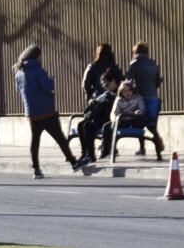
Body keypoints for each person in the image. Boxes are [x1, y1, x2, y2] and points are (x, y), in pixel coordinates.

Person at [13, 44, 81, 179]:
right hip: (46, 111)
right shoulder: (38, 70)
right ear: (36, 56)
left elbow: (18, 91)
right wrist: (52, 80)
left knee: (35, 141)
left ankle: (36, 169)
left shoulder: (19, 72)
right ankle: (73, 162)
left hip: (31, 113)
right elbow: (47, 87)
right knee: (60, 138)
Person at [124, 42, 165, 159]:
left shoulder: (134, 63)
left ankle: (142, 148)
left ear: (135, 52)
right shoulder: (153, 64)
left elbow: (128, 80)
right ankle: (157, 145)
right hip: (153, 98)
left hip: (140, 97)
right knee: (152, 124)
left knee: (139, 122)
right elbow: (157, 82)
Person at [78, 74, 119, 163]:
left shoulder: (122, 91)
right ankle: (86, 153)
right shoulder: (107, 93)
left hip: (110, 119)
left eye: (107, 85)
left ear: (113, 82)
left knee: (88, 124)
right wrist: (93, 101)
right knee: (82, 125)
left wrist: (108, 98)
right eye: (104, 86)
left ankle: (90, 155)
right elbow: (98, 100)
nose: (106, 88)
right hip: (102, 118)